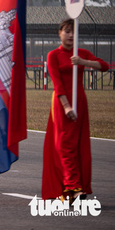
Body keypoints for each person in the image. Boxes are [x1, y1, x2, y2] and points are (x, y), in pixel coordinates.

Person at [42, 18, 108, 202]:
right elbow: (56, 83)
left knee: (78, 147)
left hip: (80, 102)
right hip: (62, 103)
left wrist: (83, 61)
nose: (71, 35)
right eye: (67, 31)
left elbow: (105, 66)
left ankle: (72, 190)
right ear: (60, 33)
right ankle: (74, 188)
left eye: (74, 32)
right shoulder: (53, 55)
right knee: (64, 146)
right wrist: (66, 106)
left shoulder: (82, 54)